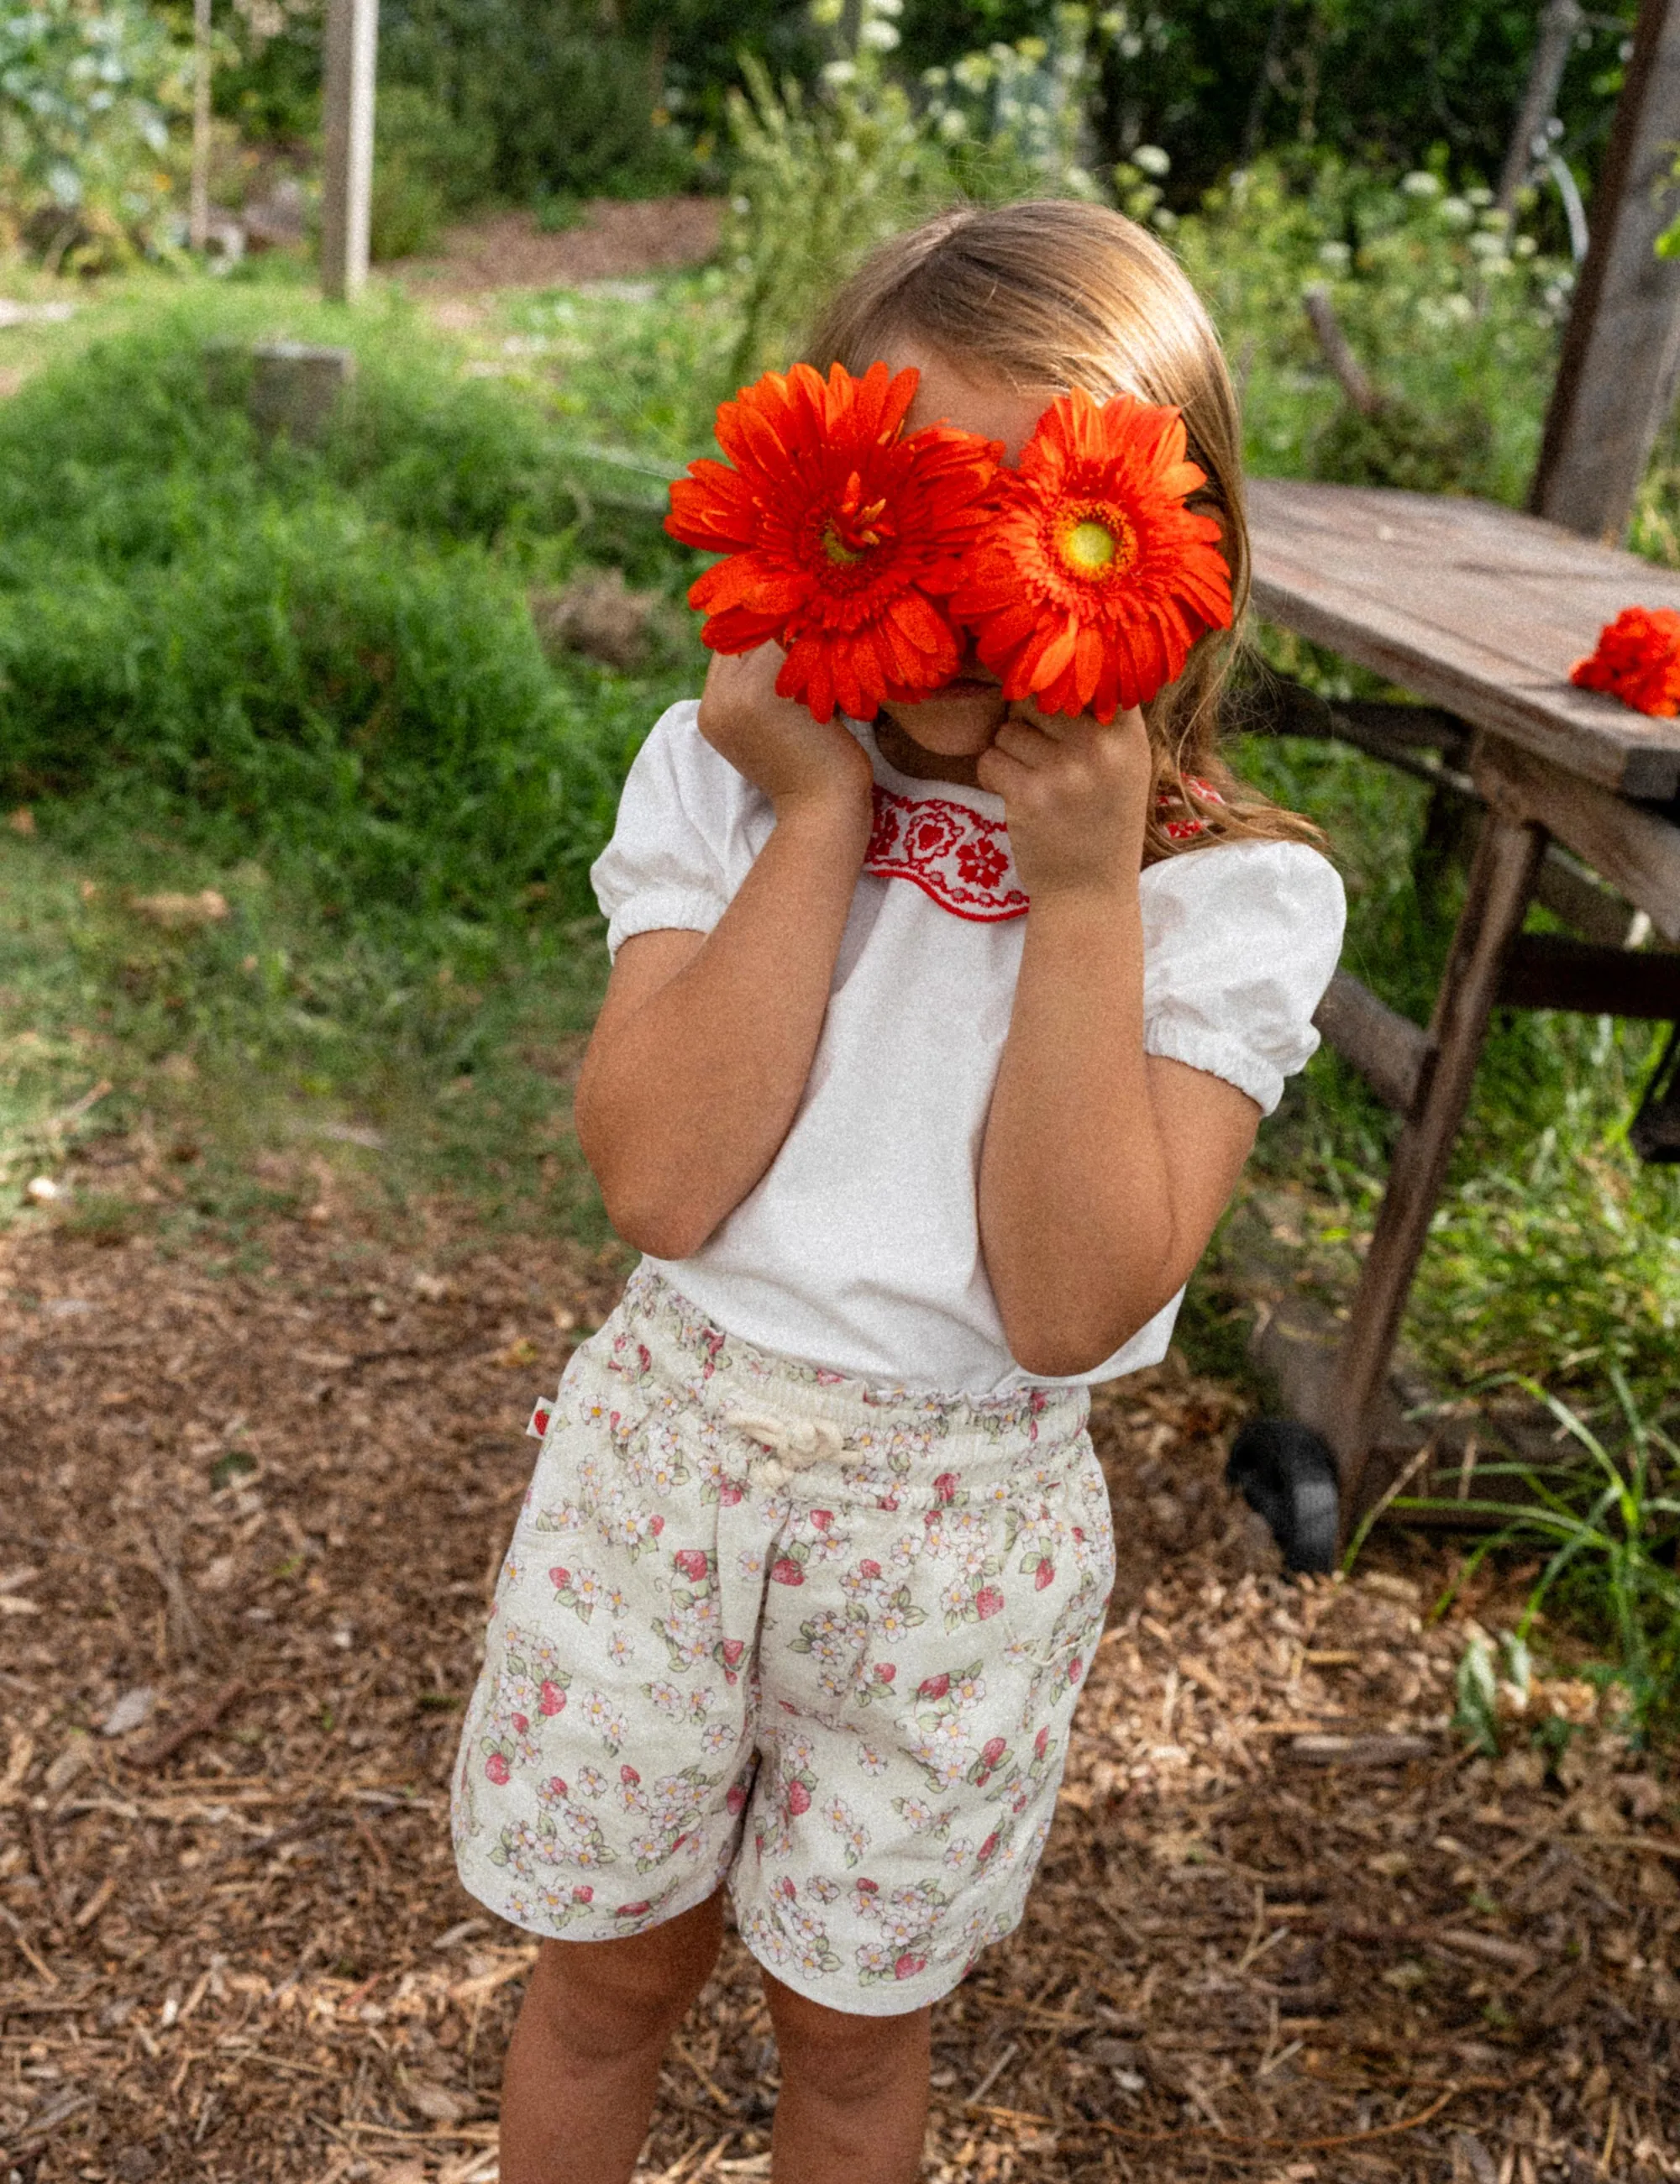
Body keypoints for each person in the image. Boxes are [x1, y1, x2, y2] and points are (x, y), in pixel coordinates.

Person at [451, 198, 1346, 2184]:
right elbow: (663, 1184)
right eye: (911, 522)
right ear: (825, 510)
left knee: (851, 2057)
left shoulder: (1224, 899)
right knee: (601, 1989)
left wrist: (1087, 892)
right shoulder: (724, 778)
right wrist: (821, 805)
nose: (961, 602)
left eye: (1034, 532)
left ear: (1154, 561)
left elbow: (1067, 1307)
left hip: (958, 1541)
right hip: (663, 1476)